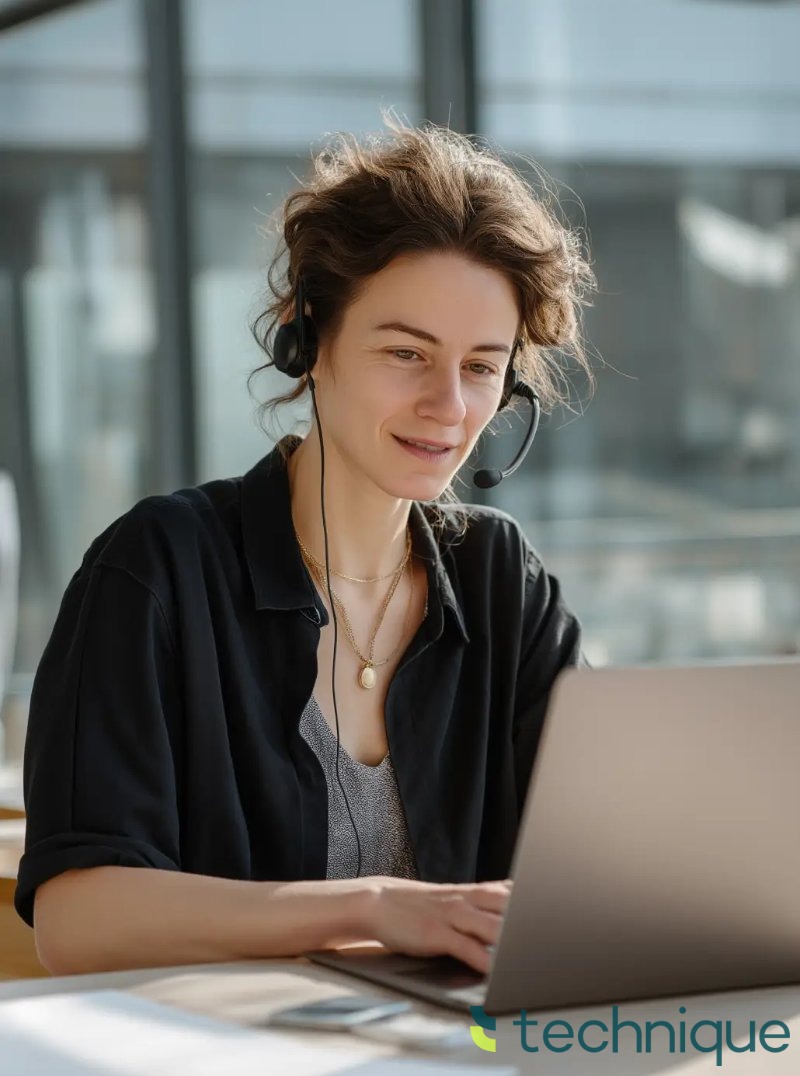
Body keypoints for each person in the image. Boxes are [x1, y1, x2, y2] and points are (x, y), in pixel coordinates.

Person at [15, 116, 595, 977]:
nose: (449, 405)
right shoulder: (155, 572)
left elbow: (601, 872)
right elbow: (78, 918)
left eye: (481, 367)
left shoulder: (505, 583)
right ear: (306, 339)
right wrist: (373, 907)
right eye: (407, 352)